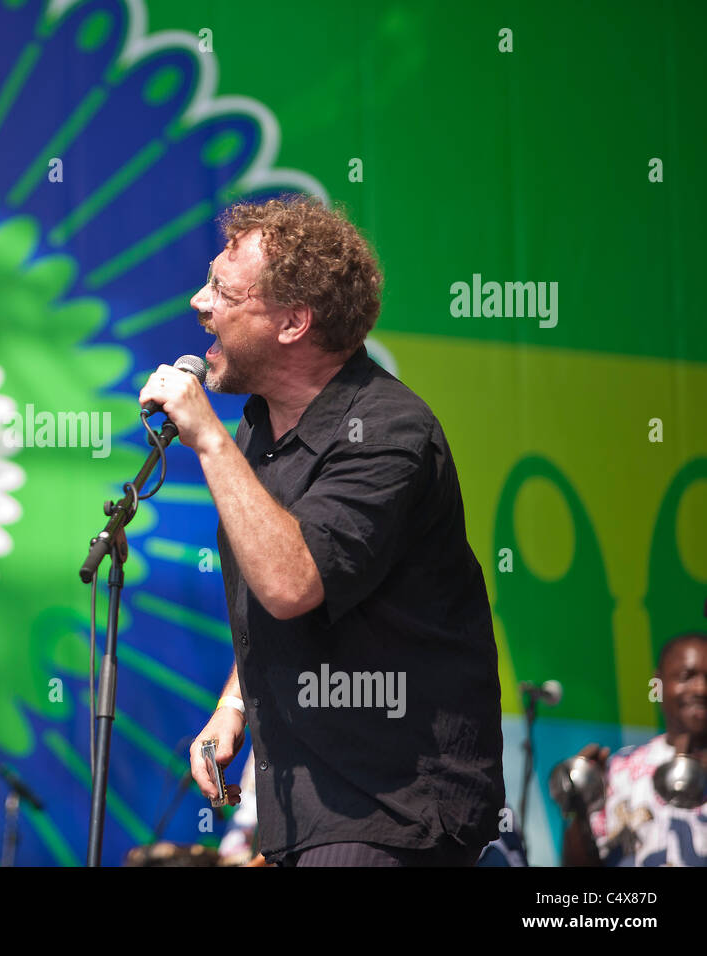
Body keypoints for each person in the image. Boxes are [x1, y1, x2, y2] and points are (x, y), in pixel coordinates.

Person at [139, 196, 504, 867]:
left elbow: (292, 582)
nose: (199, 303)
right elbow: (282, 587)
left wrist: (210, 443)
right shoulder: (256, 426)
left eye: (222, 289)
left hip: (393, 806)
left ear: (293, 321)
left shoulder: (390, 432)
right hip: (306, 809)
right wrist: (235, 704)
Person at [562, 632, 707, 866]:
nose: (701, 689)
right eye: (686, 676)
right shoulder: (621, 768)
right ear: (657, 684)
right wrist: (581, 807)